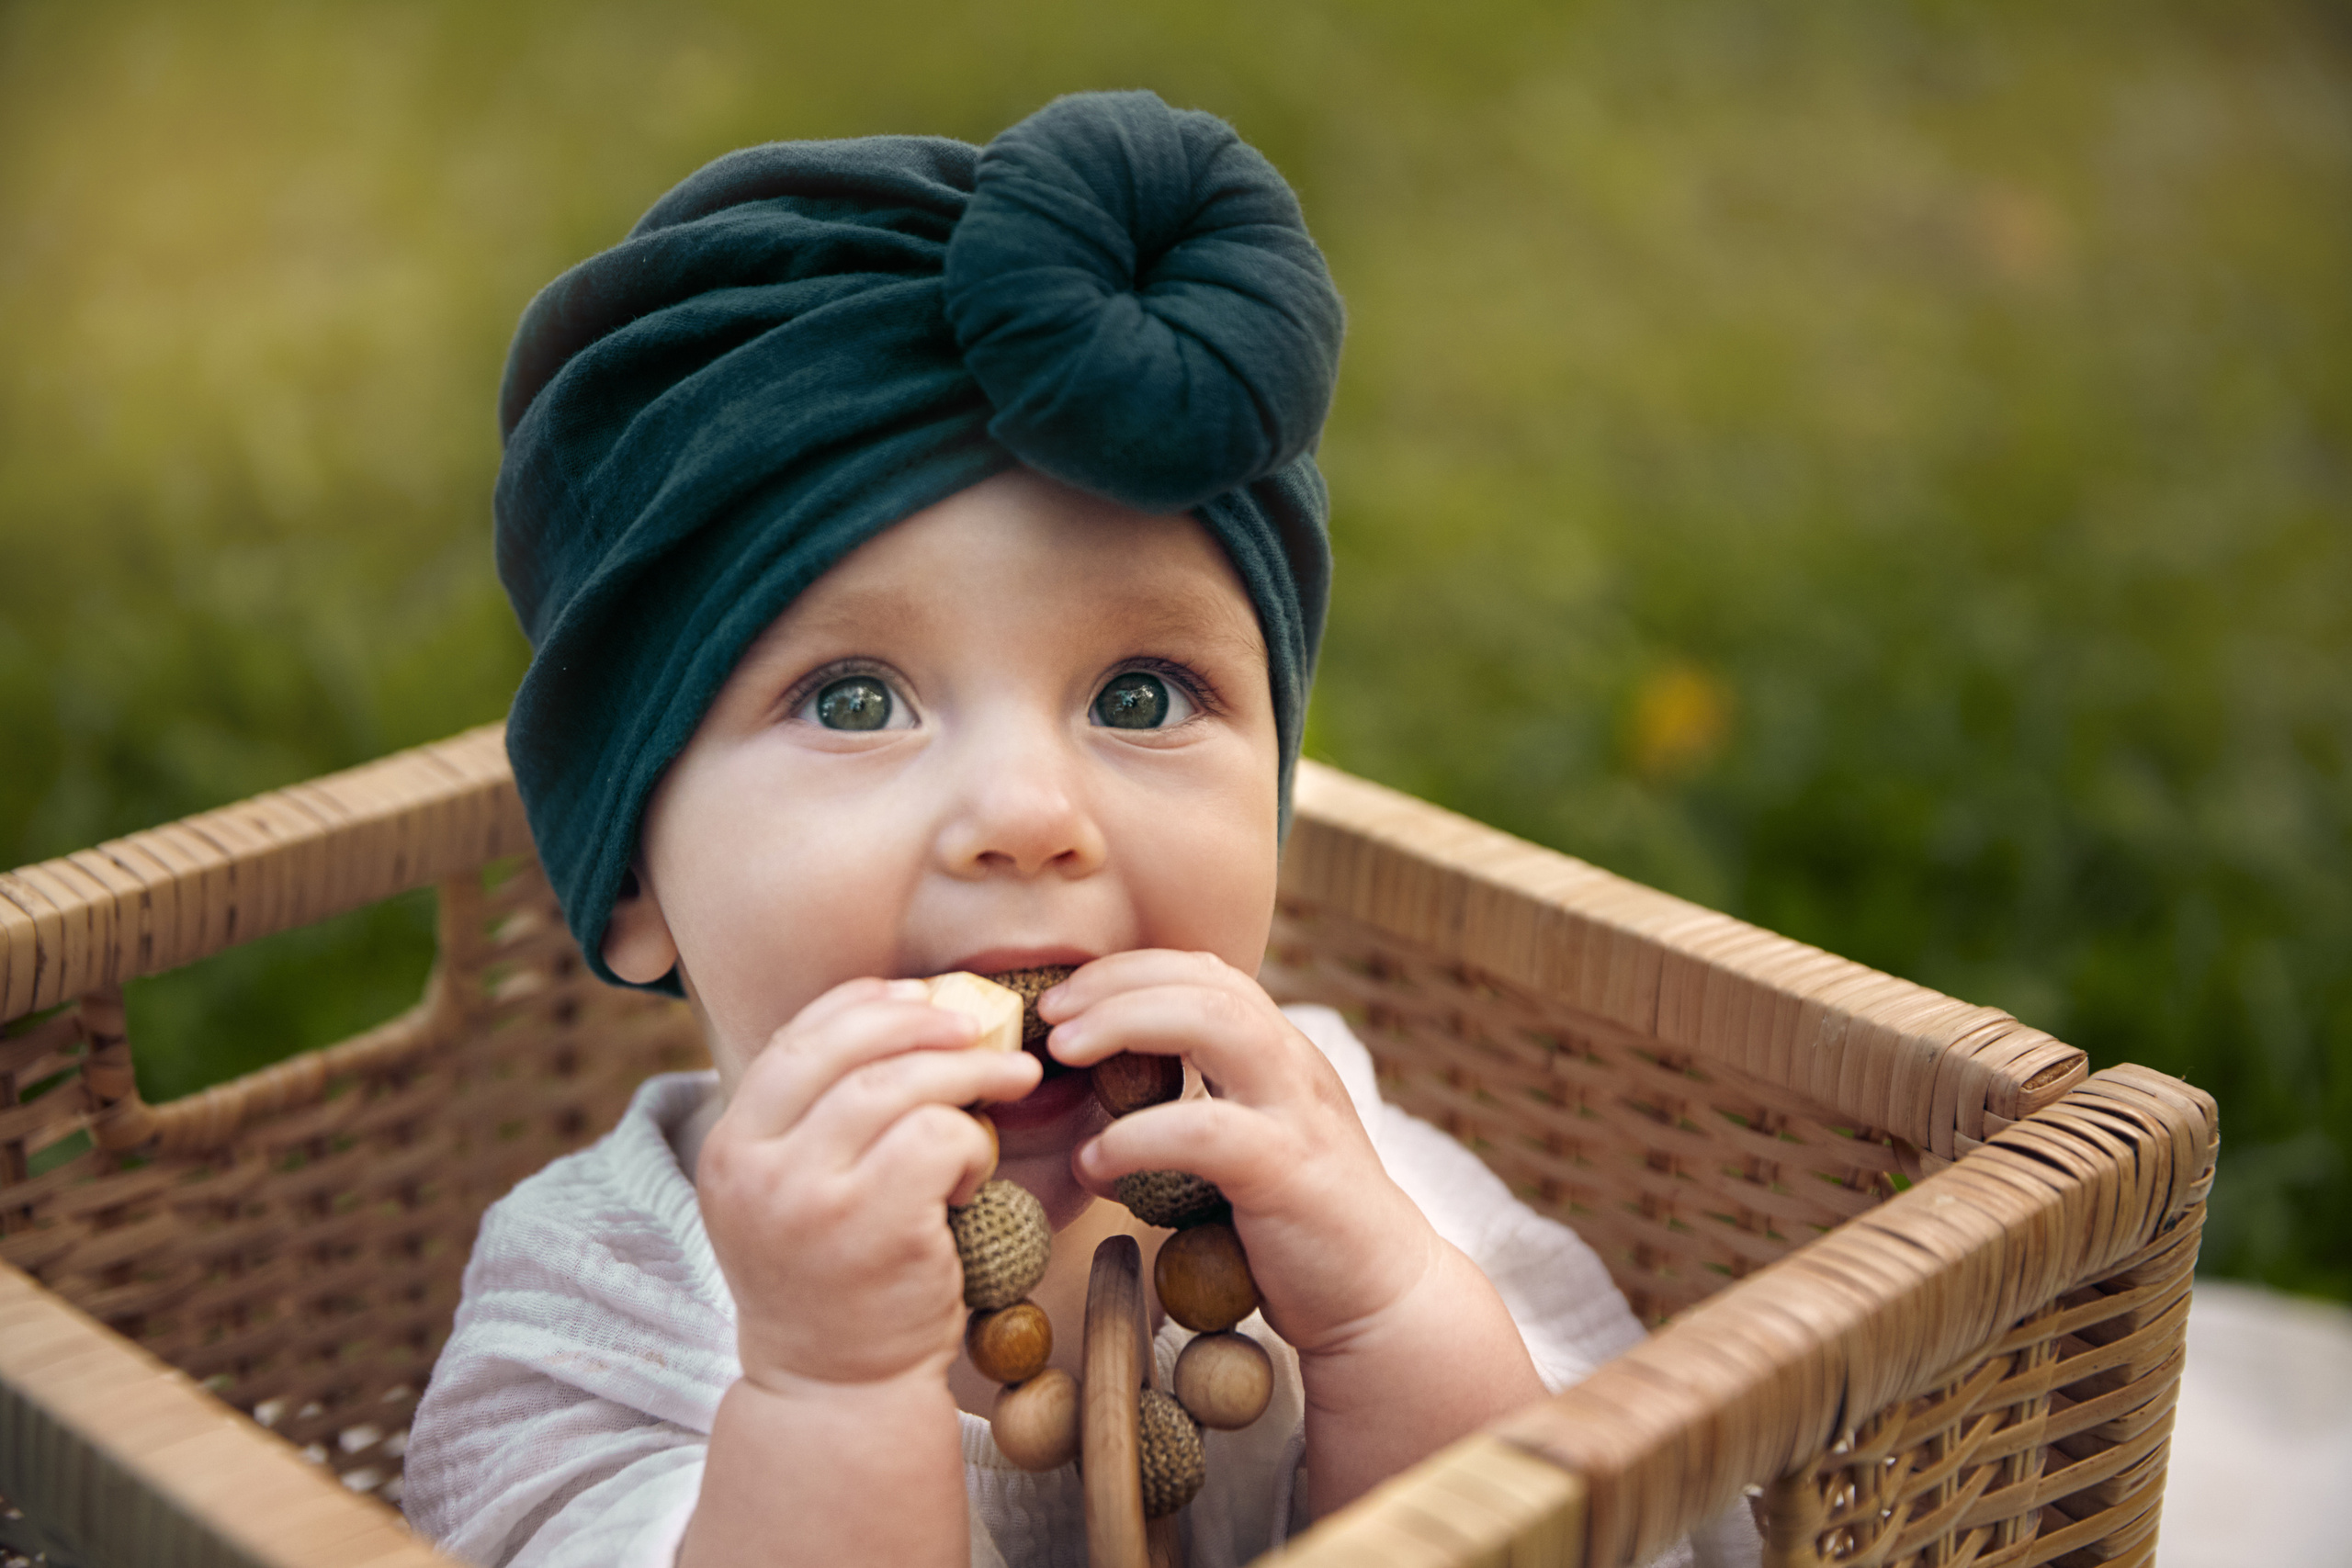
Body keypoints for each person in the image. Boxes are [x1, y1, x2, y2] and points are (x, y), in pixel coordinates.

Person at [402, 91, 1755, 1568]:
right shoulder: (601, 1301)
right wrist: (827, 1390)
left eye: (1139, 695)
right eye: (854, 701)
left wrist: (1387, 1318)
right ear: (632, 880)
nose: (1030, 817)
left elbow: (1630, 1528)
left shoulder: (1339, 1161)